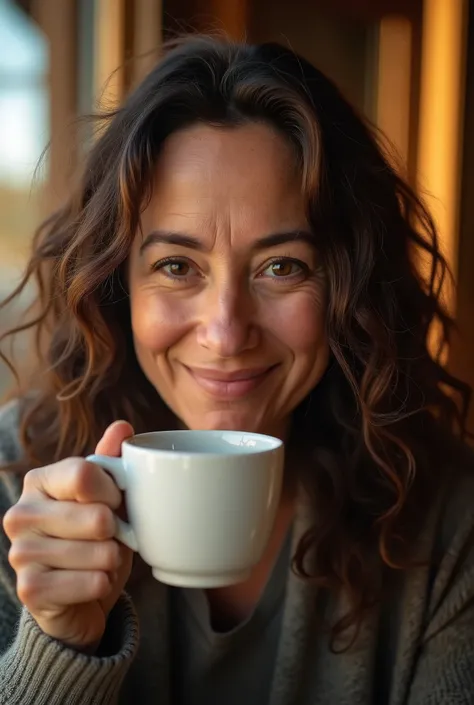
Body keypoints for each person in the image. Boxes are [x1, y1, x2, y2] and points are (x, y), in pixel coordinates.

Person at [0, 34, 473, 705]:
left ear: (350, 287)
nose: (225, 331)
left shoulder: (449, 522)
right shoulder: (12, 485)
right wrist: (59, 648)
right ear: (116, 286)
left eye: (281, 266)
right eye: (176, 266)